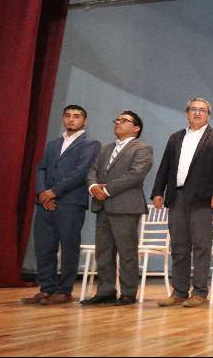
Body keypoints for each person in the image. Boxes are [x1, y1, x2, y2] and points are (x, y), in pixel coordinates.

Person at [151, 98, 213, 308]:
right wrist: (157, 191)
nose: (197, 113)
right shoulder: (175, 138)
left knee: (201, 246)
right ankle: (179, 291)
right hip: (176, 197)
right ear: (187, 113)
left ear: (208, 115)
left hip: (204, 199)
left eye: (202, 110)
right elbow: (164, 168)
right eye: (194, 109)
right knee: (179, 247)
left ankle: (199, 292)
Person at [21, 105, 101, 305]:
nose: (71, 120)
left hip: (70, 203)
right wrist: (42, 193)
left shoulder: (90, 144)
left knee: (68, 247)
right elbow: (41, 168)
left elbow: (81, 172)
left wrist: (53, 192)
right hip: (45, 203)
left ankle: (64, 290)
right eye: (67, 116)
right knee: (44, 247)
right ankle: (46, 288)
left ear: (85, 121)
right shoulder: (53, 144)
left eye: (76, 116)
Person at [82, 111, 153, 306]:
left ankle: (128, 292)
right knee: (103, 252)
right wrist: (93, 187)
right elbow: (92, 171)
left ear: (136, 128)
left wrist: (108, 190)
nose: (118, 123)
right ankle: (105, 290)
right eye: (117, 120)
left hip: (125, 206)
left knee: (126, 252)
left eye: (124, 120)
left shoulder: (142, 148)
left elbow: (136, 175)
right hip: (102, 206)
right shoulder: (106, 149)